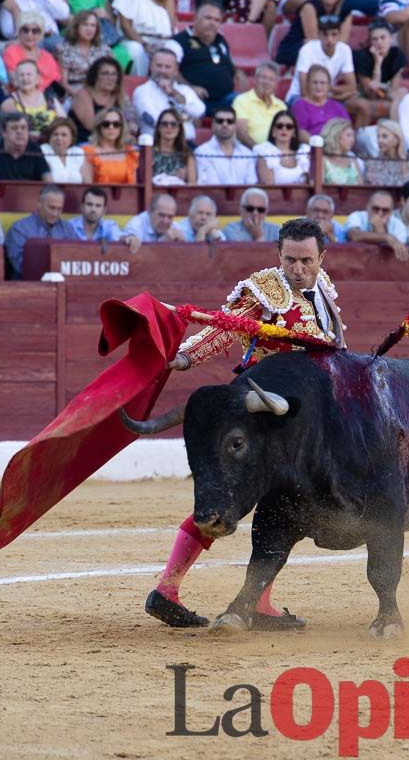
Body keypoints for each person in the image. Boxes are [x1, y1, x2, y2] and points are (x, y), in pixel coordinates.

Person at [148, 217, 345, 629]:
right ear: (279, 255)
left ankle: (258, 601)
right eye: (290, 259)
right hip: (258, 412)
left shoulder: (324, 290)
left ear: (321, 258)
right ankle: (168, 589)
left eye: (306, 260)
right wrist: (185, 358)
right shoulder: (264, 289)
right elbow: (223, 327)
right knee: (229, 498)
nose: (297, 269)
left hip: (300, 420)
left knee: (282, 505)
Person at [166, 0, 243, 117]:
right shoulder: (178, 42)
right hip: (196, 100)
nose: (212, 23)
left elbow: (229, 63)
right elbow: (169, 71)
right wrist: (190, 88)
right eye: (208, 18)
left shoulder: (221, 40)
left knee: (246, 105)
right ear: (196, 18)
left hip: (226, 98)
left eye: (217, 20)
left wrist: (238, 72)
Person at [275, 0, 354, 67]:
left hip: (327, 48)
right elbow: (314, 41)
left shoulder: (346, 10)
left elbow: (342, 42)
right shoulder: (310, 6)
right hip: (296, 48)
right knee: (310, 45)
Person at [113, 0, 177, 77]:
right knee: (136, 50)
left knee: (175, 48)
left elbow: (172, 22)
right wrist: (144, 44)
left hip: (163, 40)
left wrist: (167, 41)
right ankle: (139, 83)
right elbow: (125, 26)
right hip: (136, 40)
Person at [5, 184, 85, 276]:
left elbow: (77, 258)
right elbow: (19, 265)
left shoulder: (68, 228)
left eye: (59, 209)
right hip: (29, 285)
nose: (55, 213)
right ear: (39, 204)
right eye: (51, 208)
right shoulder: (19, 229)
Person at [133, 49, 206, 142]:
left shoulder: (184, 90)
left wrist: (173, 93)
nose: (163, 71)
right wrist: (185, 118)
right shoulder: (142, 91)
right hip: (156, 145)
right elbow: (154, 121)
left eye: (167, 67)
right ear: (151, 66)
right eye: (159, 66)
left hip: (187, 145)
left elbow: (200, 113)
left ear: (176, 70)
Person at [348, 21, 407, 127]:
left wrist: (384, 89)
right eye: (375, 39)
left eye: (383, 37)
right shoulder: (362, 57)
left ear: (391, 39)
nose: (379, 42)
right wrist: (378, 63)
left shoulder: (397, 55)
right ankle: (394, 131)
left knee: (403, 92)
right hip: (363, 97)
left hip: (386, 95)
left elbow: (394, 88)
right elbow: (372, 94)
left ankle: (396, 132)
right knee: (396, 103)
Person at [288, 15, 357, 102]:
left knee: (357, 102)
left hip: (327, 96)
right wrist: (336, 96)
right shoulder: (307, 49)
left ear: (339, 35)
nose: (330, 39)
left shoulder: (345, 50)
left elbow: (352, 86)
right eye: (325, 35)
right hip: (298, 97)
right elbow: (304, 90)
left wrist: (327, 89)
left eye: (334, 34)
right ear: (319, 35)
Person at [70, 56, 138, 144]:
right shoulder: (83, 94)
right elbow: (91, 126)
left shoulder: (121, 96)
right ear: (95, 76)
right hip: (87, 143)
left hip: (115, 143)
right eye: (105, 74)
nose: (110, 78)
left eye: (114, 74)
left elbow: (131, 121)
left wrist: (130, 132)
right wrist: (123, 136)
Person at [195, 106, 258, 185]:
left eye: (230, 121)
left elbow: (251, 185)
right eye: (220, 121)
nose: (225, 124)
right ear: (212, 125)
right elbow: (209, 186)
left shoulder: (247, 153)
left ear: (235, 126)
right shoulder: (201, 153)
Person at [2, 58, 67, 134]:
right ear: (16, 80)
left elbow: (64, 123)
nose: (25, 78)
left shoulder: (49, 97)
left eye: (29, 74)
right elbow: (12, 130)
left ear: (38, 78)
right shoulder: (10, 101)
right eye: (21, 75)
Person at [2, 11, 63, 91]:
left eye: (35, 31)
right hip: (20, 96)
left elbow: (58, 79)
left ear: (41, 34)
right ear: (19, 32)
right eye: (25, 30)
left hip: (45, 96)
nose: (29, 35)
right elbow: (15, 82)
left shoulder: (47, 57)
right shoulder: (11, 52)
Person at [345, 188, 409, 261]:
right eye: (376, 208)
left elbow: (390, 253)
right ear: (367, 207)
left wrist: (380, 229)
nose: (380, 213)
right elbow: (354, 236)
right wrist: (387, 237)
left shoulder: (398, 226)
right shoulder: (357, 216)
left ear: (391, 211)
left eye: (385, 210)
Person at [59, 11, 115, 92]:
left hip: (100, 90)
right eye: (85, 25)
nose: (89, 29)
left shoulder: (105, 50)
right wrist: (79, 96)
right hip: (75, 91)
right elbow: (64, 83)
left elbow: (114, 75)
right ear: (76, 27)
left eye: (93, 25)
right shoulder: (64, 49)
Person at [235, 62, 288, 148]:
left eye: (271, 79)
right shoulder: (242, 100)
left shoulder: (281, 106)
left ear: (276, 84)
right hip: (250, 152)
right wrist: (258, 151)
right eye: (263, 77)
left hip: (276, 152)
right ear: (255, 79)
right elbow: (241, 134)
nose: (267, 82)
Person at [82, 107, 140, 183]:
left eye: (116, 124)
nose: (111, 127)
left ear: (121, 128)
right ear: (99, 127)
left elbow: (132, 187)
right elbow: (87, 185)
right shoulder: (88, 152)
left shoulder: (131, 153)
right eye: (106, 124)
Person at [0, 111, 52, 181]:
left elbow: (46, 175)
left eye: (23, 128)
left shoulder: (34, 148)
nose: (19, 132)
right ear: (3, 132)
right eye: (14, 128)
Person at [292, 65, 352, 138]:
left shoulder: (337, 106)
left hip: (336, 145)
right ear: (308, 84)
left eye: (322, 83)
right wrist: (317, 144)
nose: (318, 86)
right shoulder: (300, 105)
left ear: (329, 86)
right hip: (312, 146)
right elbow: (300, 132)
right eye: (315, 82)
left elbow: (347, 128)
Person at [255, 110, 312, 184]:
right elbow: (269, 187)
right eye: (279, 126)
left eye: (289, 127)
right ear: (273, 131)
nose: (284, 129)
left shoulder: (304, 151)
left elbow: (311, 182)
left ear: (294, 132)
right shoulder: (264, 152)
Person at [362, 118, 409, 186]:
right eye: (378, 137)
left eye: (384, 136)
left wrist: (403, 163)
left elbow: (408, 190)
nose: (379, 140)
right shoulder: (372, 164)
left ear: (397, 140)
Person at [152, 107, 197, 185]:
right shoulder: (149, 153)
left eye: (173, 124)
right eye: (164, 124)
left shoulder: (186, 155)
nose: (169, 127)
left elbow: (192, 186)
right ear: (158, 128)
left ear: (179, 129)